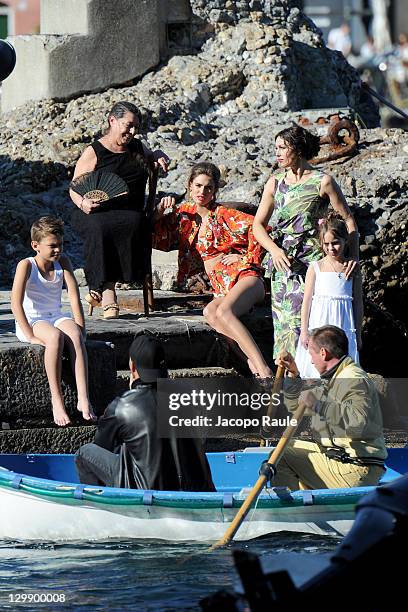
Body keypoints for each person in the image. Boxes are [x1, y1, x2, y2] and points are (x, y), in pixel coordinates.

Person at [154, 162, 273, 379]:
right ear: (190, 186)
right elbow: (156, 238)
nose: (202, 192)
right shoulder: (183, 215)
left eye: (208, 188)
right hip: (223, 289)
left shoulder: (225, 215)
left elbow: (263, 228)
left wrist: (245, 257)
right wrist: (159, 213)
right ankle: (252, 364)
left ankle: (263, 370)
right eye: (198, 186)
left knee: (223, 312)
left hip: (246, 278)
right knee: (210, 312)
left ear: (215, 190)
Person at [253, 124, 359, 358]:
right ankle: (289, 388)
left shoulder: (323, 181)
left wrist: (350, 257)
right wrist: (274, 251)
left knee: (316, 327)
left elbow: (348, 220)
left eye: (282, 148)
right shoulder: (274, 183)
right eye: (276, 148)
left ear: (298, 149)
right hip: (284, 268)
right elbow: (257, 226)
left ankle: (318, 384)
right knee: (286, 330)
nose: (277, 153)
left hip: (314, 266)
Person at [75, 333, 215, 491]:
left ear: (132, 367)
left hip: (145, 491)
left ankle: (104, 507)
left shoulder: (123, 405)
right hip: (197, 489)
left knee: (85, 453)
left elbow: (102, 446)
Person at [70, 101, 169, 319]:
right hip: (95, 211)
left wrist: (158, 154)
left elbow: (152, 157)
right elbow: (74, 188)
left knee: (135, 224)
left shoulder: (137, 147)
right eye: (128, 125)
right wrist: (83, 203)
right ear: (112, 121)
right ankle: (107, 293)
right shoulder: (94, 151)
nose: (132, 131)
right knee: (101, 227)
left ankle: (100, 289)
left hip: (130, 212)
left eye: (136, 127)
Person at [273, 325, 387, 490]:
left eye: (311, 354)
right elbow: (295, 407)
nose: (311, 361)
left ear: (323, 353)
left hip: (356, 468)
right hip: (340, 458)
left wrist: (319, 405)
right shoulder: (334, 377)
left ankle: (290, 513)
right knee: (287, 447)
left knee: (281, 457)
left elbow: (358, 423)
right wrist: (293, 374)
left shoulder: (353, 379)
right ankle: (306, 500)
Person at [11, 216, 94, 426]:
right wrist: (29, 334)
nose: (58, 250)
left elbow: (74, 297)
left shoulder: (63, 263)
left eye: (61, 245)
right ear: (35, 246)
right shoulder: (26, 265)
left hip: (55, 315)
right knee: (55, 338)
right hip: (33, 320)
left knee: (74, 335)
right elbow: (15, 304)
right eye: (52, 246)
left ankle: (83, 398)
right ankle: (57, 399)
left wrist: (81, 328)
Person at [295, 213, 363, 378]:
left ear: (345, 241)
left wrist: (358, 334)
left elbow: (358, 303)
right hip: (320, 321)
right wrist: (304, 331)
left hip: (344, 324)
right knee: (315, 365)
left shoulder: (352, 268)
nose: (331, 248)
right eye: (326, 244)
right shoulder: (315, 267)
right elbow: (307, 302)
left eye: (335, 243)